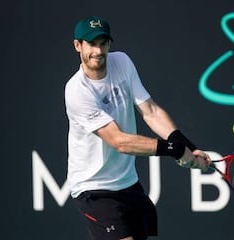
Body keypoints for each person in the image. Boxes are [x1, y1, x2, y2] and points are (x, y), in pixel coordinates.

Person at [64, 16, 211, 240]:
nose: (98, 50)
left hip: (127, 183)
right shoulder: (77, 91)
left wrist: (188, 146)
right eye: (92, 44)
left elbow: (150, 112)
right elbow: (119, 142)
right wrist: (175, 150)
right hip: (94, 188)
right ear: (78, 46)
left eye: (103, 43)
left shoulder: (122, 62)